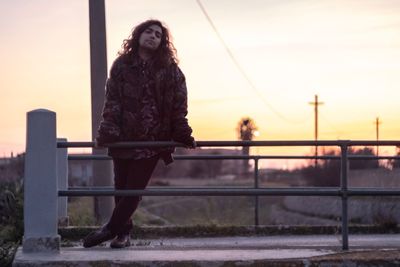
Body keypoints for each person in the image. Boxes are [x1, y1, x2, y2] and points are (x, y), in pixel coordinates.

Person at [83, 19, 196, 249]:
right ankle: (122, 235)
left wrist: (181, 131)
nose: (153, 36)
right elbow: (112, 100)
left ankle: (109, 229)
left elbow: (179, 104)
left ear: (162, 43)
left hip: (152, 142)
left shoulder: (170, 70)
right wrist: (109, 130)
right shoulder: (122, 66)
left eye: (158, 34)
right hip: (124, 139)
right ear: (138, 35)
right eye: (149, 31)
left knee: (133, 191)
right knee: (121, 188)